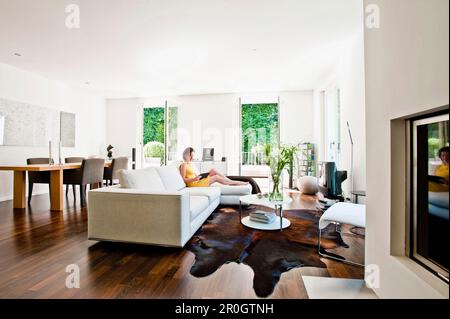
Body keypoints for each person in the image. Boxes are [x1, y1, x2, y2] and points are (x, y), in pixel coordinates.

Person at [179, 147, 248, 187]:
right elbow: (183, 179)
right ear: (187, 155)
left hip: (197, 180)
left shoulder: (190, 163)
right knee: (216, 177)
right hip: (194, 184)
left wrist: (200, 176)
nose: (192, 157)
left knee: (213, 170)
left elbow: (193, 175)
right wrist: (194, 179)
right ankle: (237, 183)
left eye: (193, 156)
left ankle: (229, 181)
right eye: (191, 156)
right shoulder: (183, 164)